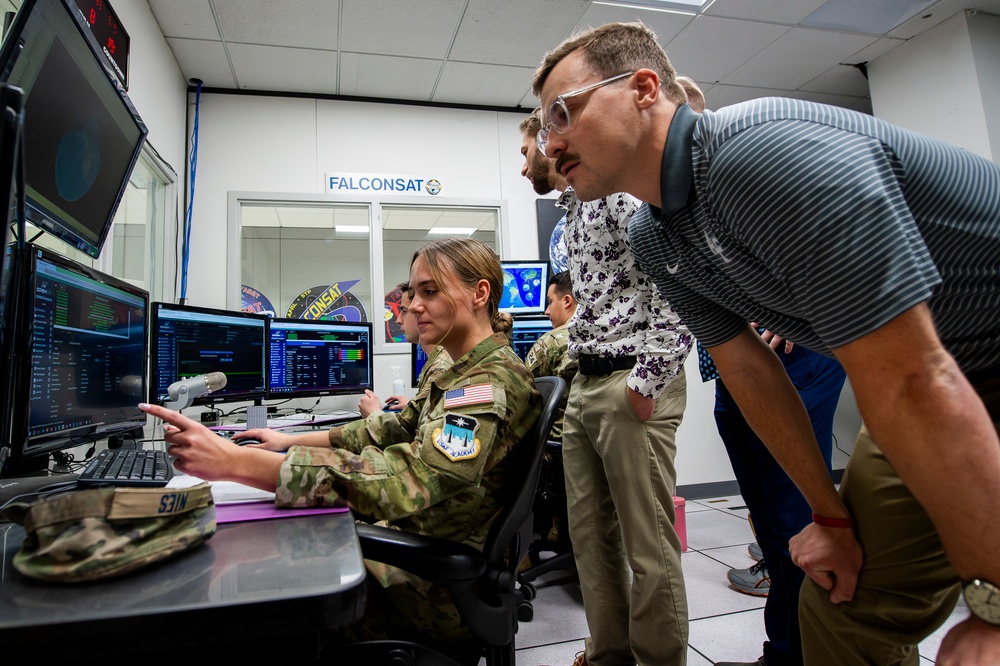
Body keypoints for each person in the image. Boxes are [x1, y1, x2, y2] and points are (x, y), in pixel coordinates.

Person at [532, 21, 1000, 665]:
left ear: (643, 88)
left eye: (563, 111)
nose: (548, 141)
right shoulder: (659, 237)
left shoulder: (757, 150)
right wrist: (828, 516)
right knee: (840, 604)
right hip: (944, 376)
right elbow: (747, 369)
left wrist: (992, 606)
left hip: (958, 363)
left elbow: (915, 379)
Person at [140, 237, 542, 658]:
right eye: (413, 291)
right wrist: (286, 442)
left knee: (246, 587)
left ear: (480, 294)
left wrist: (238, 463)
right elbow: (387, 430)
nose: (412, 305)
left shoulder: (486, 384)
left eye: (430, 291)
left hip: (426, 591)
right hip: (413, 555)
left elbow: (410, 478)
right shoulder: (464, 372)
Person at [678, 75, 849, 666]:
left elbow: (836, 239)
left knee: (795, 519)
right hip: (738, 369)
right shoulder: (670, 216)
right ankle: (783, 650)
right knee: (769, 524)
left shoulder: (748, 163)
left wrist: (794, 310)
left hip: (799, 355)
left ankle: (808, 653)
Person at [520, 109, 693, 666]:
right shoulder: (574, 213)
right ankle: (607, 655)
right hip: (588, 384)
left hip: (631, 381)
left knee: (648, 546)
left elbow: (677, 288)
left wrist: (644, 384)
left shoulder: (622, 198)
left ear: (552, 145)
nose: (524, 169)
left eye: (527, 154)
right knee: (590, 542)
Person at [358, 282, 452, 417]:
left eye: (403, 310)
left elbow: (422, 434)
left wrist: (374, 414)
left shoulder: (441, 368)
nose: (398, 320)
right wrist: (414, 405)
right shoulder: (437, 360)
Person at [525, 270, 579, 440]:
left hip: (560, 439)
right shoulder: (608, 337)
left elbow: (525, 391)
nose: (546, 311)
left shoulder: (551, 341)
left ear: (567, 301)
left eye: (550, 302)